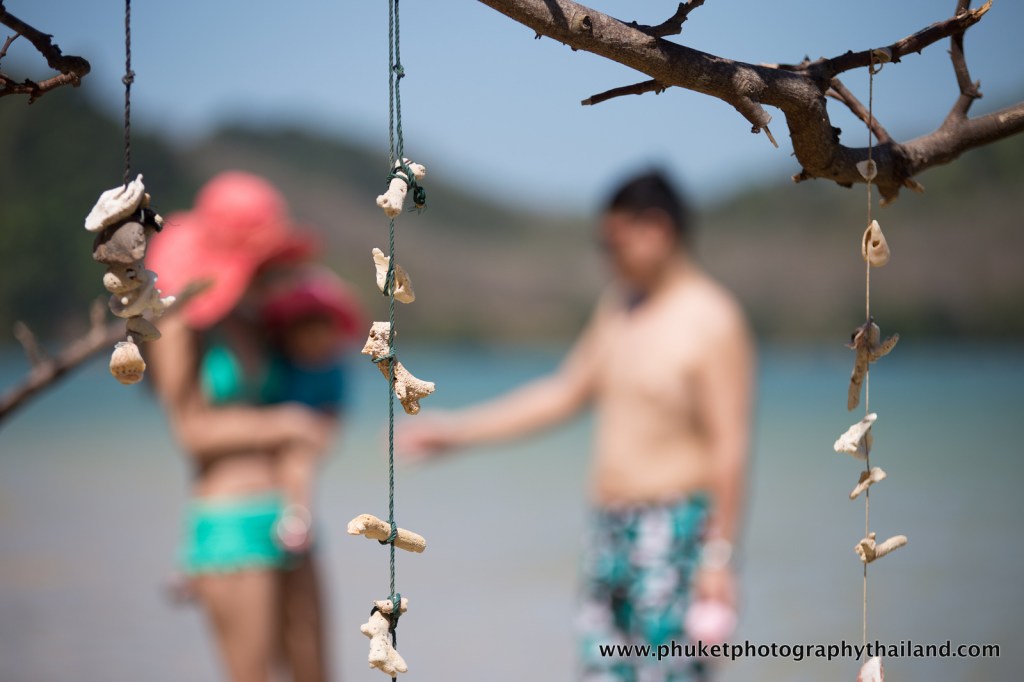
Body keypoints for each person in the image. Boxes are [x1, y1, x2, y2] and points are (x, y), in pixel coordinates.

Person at [397, 170, 755, 681]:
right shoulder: (620, 307)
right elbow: (564, 392)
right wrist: (458, 432)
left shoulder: (713, 318)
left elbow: (731, 445)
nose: (604, 257)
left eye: (611, 242)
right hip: (608, 532)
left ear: (655, 229)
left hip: (675, 537)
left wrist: (719, 559)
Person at [146, 171, 363, 682]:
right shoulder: (180, 325)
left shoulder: (259, 320)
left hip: (291, 516)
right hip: (229, 520)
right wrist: (285, 425)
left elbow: (316, 378)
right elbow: (191, 432)